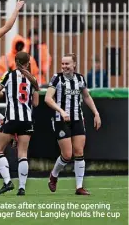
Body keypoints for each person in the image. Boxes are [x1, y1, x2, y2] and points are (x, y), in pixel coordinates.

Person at [45, 53, 102, 195]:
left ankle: (79, 187)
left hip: (77, 119)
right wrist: (61, 111)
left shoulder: (80, 79)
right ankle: (54, 175)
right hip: (61, 120)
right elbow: (47, 98)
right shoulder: (56, 78)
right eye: (62, 64)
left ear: (74, 65)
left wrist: (96, 113)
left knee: (79, 152)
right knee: (67, 155)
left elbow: (86, 96)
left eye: (67, 64)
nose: (64, 66)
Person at [0, 52, 40, 196]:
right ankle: (22, 188)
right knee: (22, 154)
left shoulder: (8, 75)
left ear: (15, 61)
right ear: (28, 63)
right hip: (27, 119)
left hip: (11, 118)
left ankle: (7, 181)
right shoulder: (33, 79)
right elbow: (35, 102)